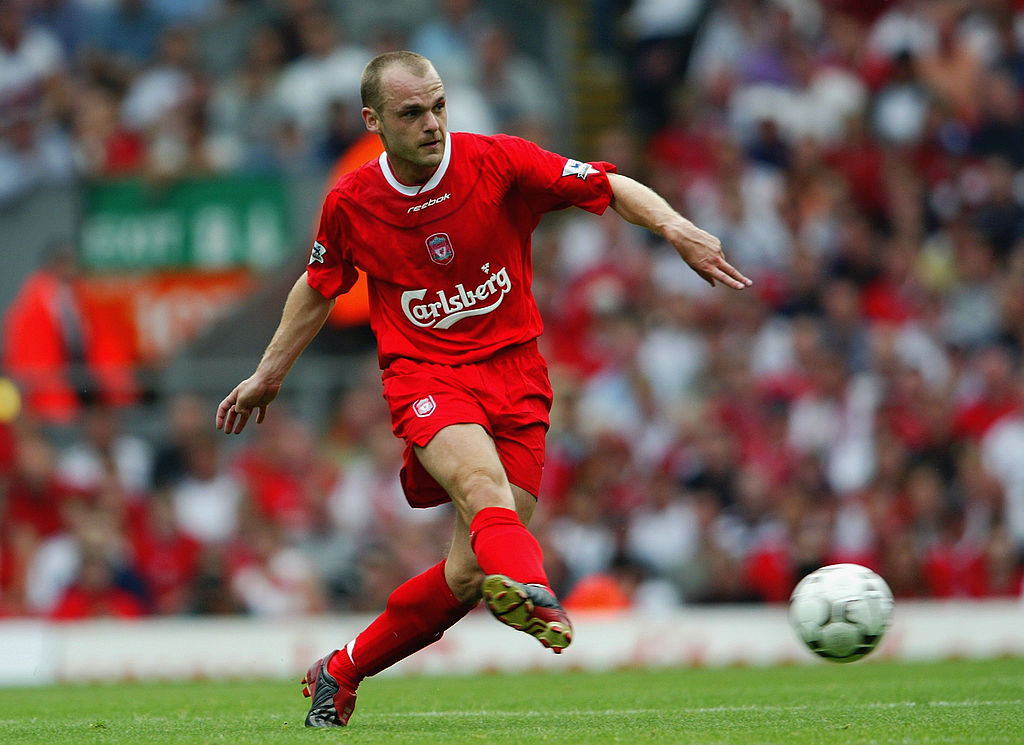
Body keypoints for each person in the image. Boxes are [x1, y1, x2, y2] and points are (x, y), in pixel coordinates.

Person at [215, 50, 751, 728]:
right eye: (413, 113)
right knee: (484, 490)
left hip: (518, 375)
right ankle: (535, 592)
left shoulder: (497, 161)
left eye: (438, 105)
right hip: (427, 377)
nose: (432, 123)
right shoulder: (351, 201)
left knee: (467, 575)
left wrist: (673, 224)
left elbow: (607, 185)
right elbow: (320, 285)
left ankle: (341, 669)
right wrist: (269, 374)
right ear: (373, 120)